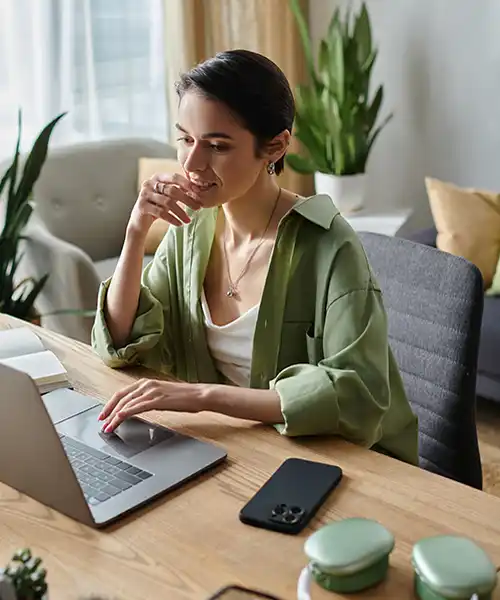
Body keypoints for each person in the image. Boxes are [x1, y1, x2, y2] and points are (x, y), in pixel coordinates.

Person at [91, 49, 418, 465]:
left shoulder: (330, 246)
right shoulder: (189, 231)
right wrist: (135, 233)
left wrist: (202, 397)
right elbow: (120, 342)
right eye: (185, 139)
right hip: (233, 452)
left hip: (340, 464)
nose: (193, 163)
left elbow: (357, 395)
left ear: (276, 146)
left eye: (217, 145)